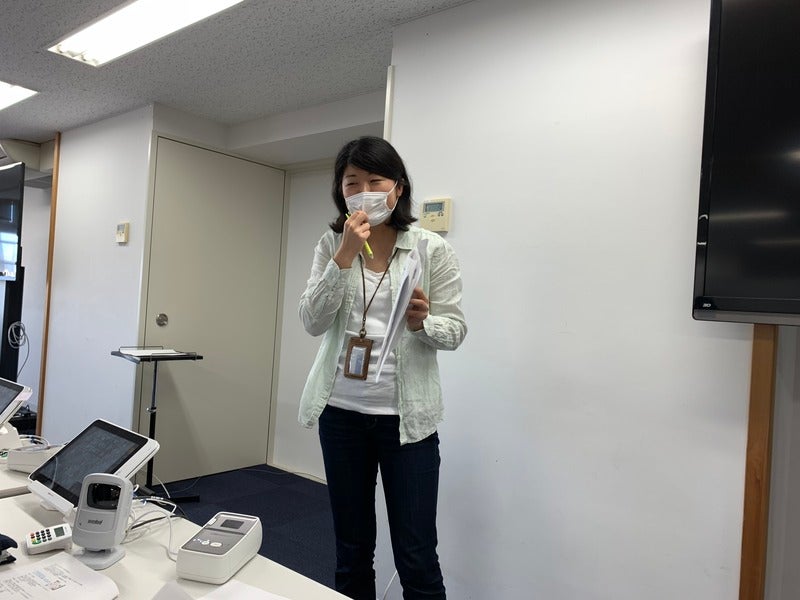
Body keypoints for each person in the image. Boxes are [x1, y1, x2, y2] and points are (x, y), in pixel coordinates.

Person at [298, 136, 467, 600]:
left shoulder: (431, 249)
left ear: (398, 188)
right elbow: (311, 321)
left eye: (376, 181)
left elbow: (455, 330)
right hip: (341, 416)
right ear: (340, 191)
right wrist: (344, 255)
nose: (364, 192)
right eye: (352, 183)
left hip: (407, 424)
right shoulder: (331, 244)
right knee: (351, 552)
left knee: (417, 556)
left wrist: (424, 322)